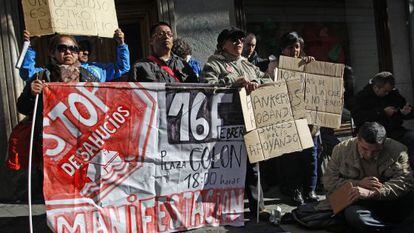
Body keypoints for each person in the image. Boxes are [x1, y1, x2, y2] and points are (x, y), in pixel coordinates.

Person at [201, 27, 272, 218]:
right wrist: (233, 81)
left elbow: (268, 80)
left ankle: (259, 208)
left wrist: (255, 81)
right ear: (222, 44)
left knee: (253, 166)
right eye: (233, 40)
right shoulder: (214, 63)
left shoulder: (248, 64)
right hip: (225, 126)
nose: (239, 42)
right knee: (228, 167)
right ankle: (228, 210)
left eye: (240, 39)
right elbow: (207, 87)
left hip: (249, 123)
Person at [323, 122, 414, 232]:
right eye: (364, 149)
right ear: (358, 139)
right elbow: (329, 181)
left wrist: (374, 192)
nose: (369, 154)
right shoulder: (341, 150)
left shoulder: (398, 150)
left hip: (388, 200)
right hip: (358, 203)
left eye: (376, 151)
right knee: (353, 215)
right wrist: (358, 184)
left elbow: (405, 181)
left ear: (384, 143)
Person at [266, 31, 318, 205]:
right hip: (286, 119)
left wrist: (312, 66)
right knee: (291, 158)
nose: (295, 51)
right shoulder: (275, 66)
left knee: (310, 156)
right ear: (283, 49)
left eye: (297, 47)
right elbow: (268, 89)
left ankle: (310, 190)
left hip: (308, 119)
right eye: (290, 47)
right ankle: (296, 191)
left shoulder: (307, 62)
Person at [351, 71, 414, 168]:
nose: (387, 93)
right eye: (385, 91)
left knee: (411, 138)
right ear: (376, 88)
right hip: (372, 134)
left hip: (394, 130)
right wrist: (382, 112)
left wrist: (407, 112)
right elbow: (358, 117)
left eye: (389, 91)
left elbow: (404, 108)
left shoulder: (393, 94)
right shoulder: (362, 97)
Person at [19, 29, 130, 82]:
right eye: (62, 48)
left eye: (73, 49)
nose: (68, 52)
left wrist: (121, 44)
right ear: (52, 53)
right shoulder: (44, 74)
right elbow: (27, 73)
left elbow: (122, 68)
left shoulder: (95, 71)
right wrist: (29, 46)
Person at [129, 22, 198, 83]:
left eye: (169, 34)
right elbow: (131, 94)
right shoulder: (140, 67)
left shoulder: (183, 65)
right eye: (161, 34)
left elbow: (195, 91)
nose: (166, 37)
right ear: (151, 41)